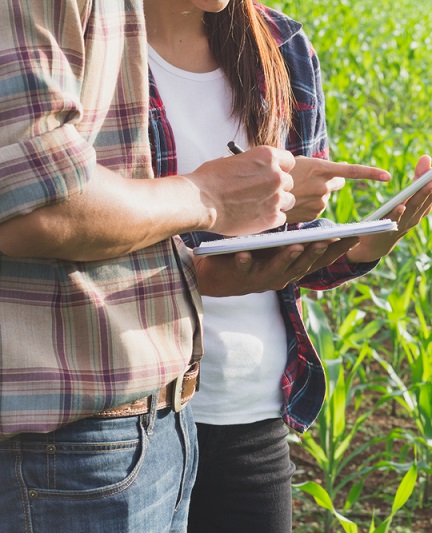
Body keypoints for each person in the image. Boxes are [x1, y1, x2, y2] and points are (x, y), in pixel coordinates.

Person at [143, 1, 432, 531]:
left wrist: (365, 243)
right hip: (134, 420)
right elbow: (75, 225)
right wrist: (213, 209)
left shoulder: (282, 46)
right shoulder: (95, 43)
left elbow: (290, 258)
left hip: (253, 411)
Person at [0, 1, 304, 531]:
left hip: (164, 417)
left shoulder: (279, 44)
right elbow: (36, 204)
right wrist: (207, 196)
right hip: (75, 436)